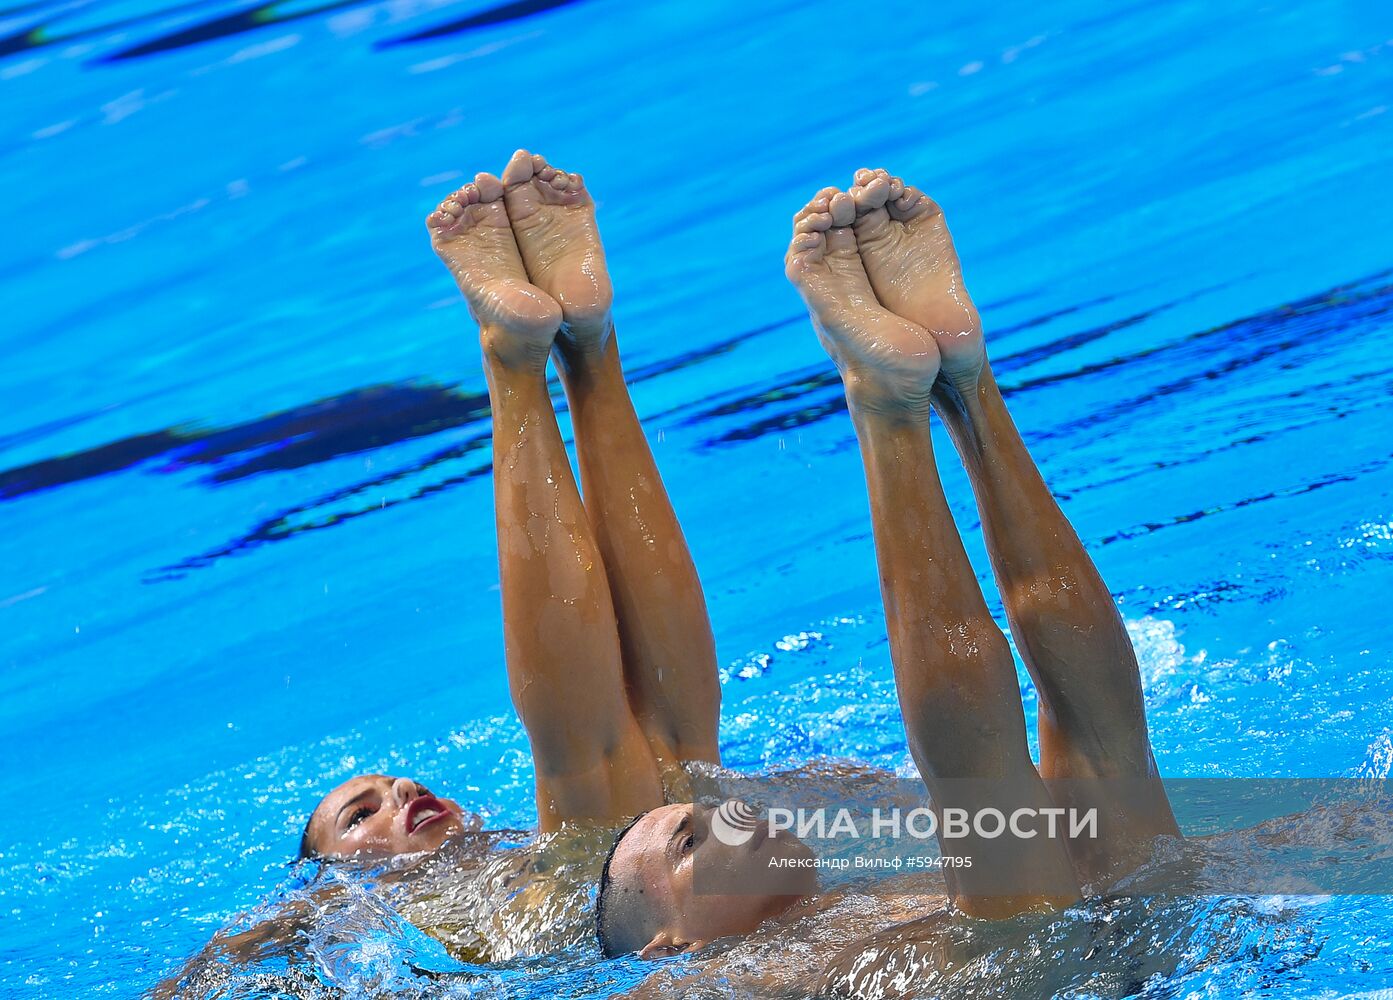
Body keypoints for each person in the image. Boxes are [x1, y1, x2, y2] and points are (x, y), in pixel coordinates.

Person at [421, 151, 1179, 968]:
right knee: (1061, 778)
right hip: (1069, 953)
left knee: (1094, 763)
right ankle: (909, 401)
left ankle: (953, 383)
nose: (732, 813)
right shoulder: (705, 978)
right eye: (692, 842)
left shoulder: (846, 908)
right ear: (671, 946)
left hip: (1103, 941)